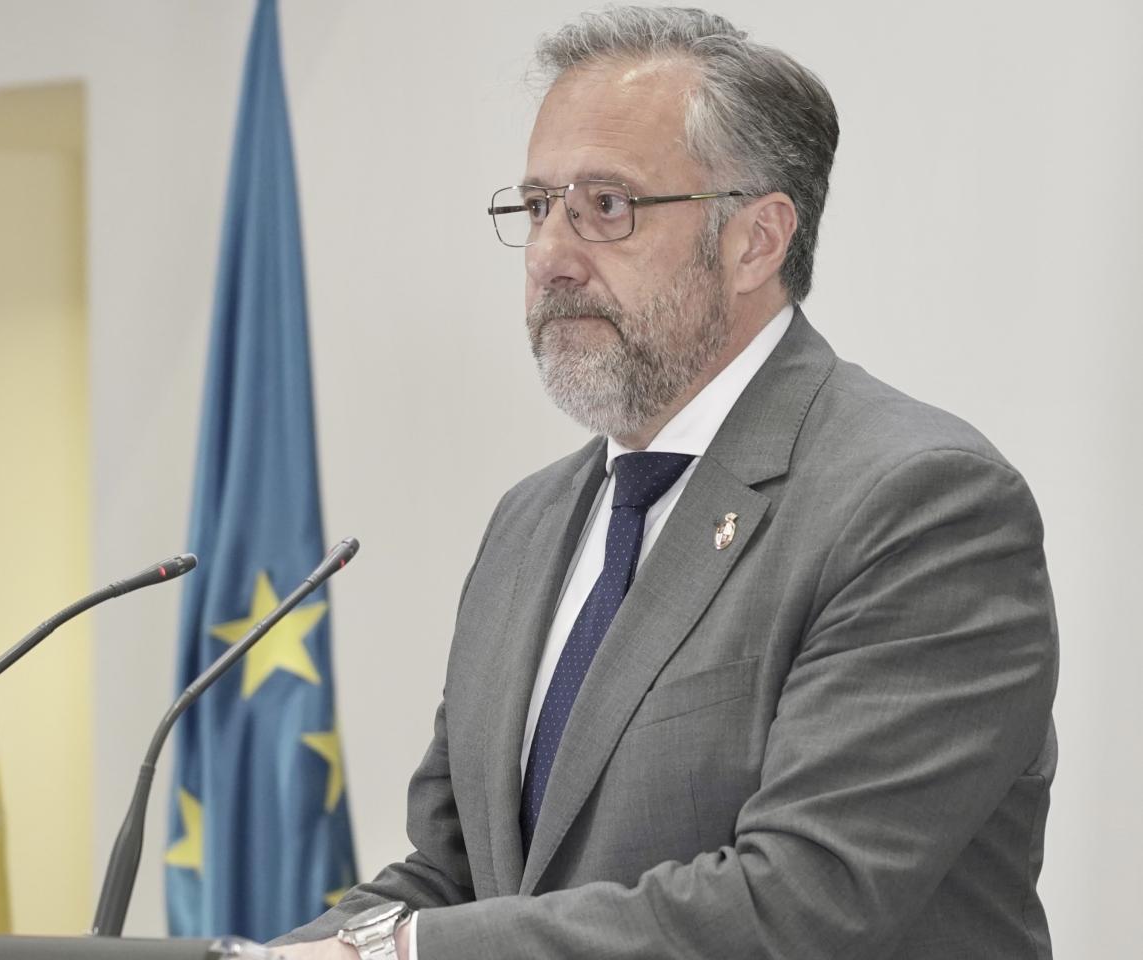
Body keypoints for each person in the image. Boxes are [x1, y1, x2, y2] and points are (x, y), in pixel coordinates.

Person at [271, 7, 1057, 959]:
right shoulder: (530, 523)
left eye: (608, 206)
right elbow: (456, 873)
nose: (552, 257)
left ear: (756, 241)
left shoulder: (921, 504)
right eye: (537, 207)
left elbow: (801, 902)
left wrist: (403, 953)